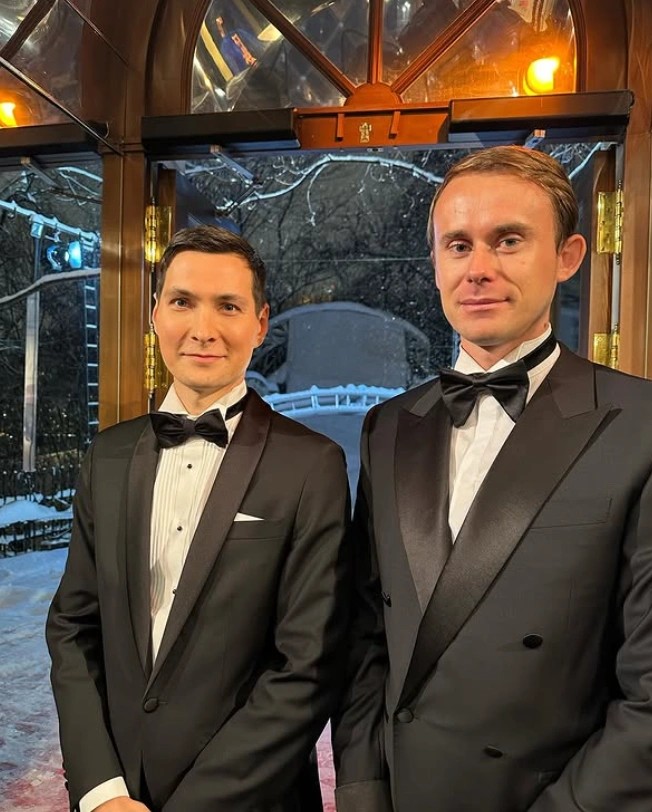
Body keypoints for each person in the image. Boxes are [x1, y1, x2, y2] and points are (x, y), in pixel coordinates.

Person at [332, 145, 652, 812]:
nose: (479, 268)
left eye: (508, 240)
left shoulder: (639, 424)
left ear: (567, 256)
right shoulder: (388, 427)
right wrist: (362, 791)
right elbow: (364, 640)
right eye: (458, 245)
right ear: (435, 264)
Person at [46, 225, 350, 812]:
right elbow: (73, 628)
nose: (203, 329)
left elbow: (308, 665)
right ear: (155, 314)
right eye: (183, 301)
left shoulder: (312, 465)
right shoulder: (106, 456)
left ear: (260, 323)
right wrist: (101, 789)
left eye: (228, 306)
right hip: (118, 794)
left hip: (251, 798)